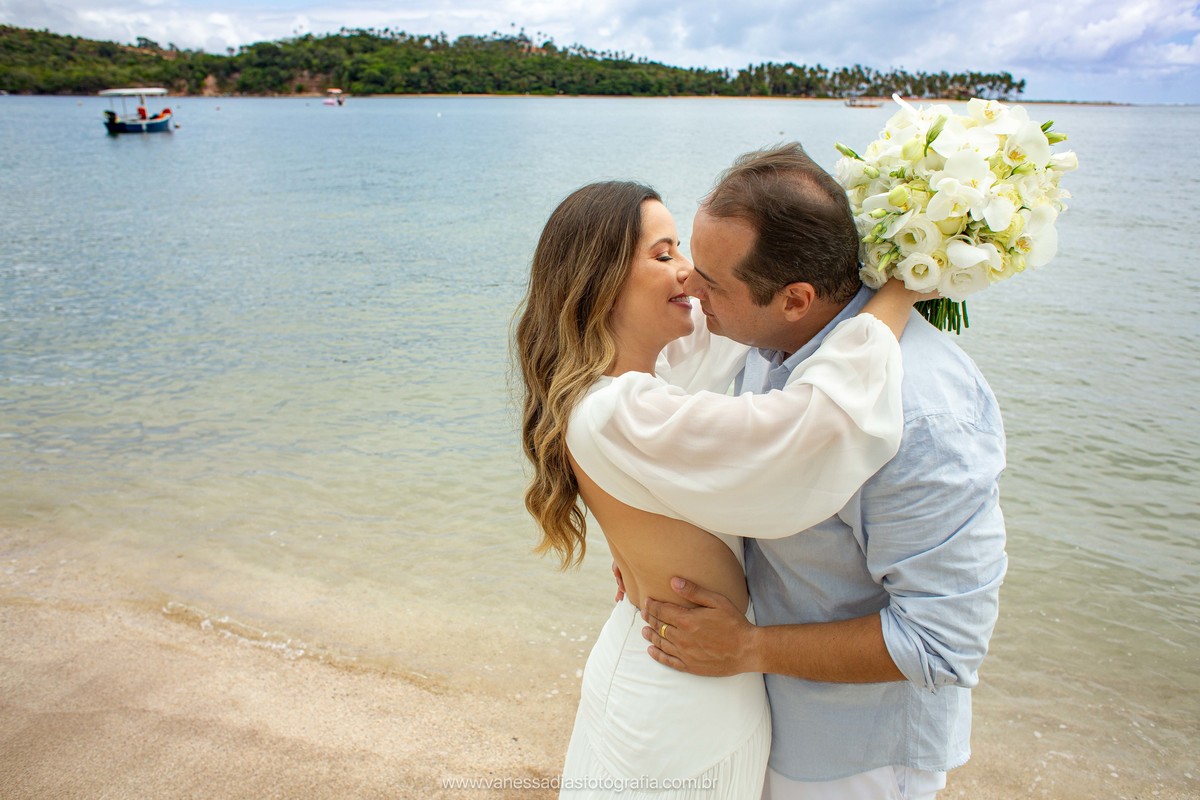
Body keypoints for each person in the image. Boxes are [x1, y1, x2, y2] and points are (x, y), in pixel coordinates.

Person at [515, 180, 924, 798]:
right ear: (599, 281)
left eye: (681, 248)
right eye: (663, 254)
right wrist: (902, 291)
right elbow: (808, 431)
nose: (689, 272)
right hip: (681, 694)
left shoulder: (640, 381)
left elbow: (732, 318)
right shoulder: (622, 410)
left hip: (673, 664)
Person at [632, 144, 1008, 800]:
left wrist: (749, 649)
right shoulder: (771, 338)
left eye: (713, 282)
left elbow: (942, 645)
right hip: (768, 716)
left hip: (859, 753)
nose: (690, 285)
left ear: (796, 298)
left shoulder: (923, 416)